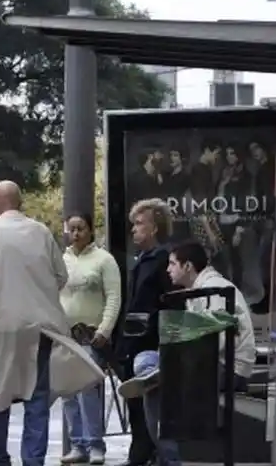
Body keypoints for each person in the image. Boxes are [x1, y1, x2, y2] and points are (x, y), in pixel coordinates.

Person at [116, 240, 255, 466]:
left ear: (188, 266)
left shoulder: (214, 289)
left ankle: (171, 459)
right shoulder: (198, 290)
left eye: (172, 264)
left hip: (227, 367)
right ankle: (152, 372)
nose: (168, 269)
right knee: (145, 360)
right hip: (209, 361)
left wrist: (176, 361)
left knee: (152, 388)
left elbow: (216, 341)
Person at [0, 180, 71, 466]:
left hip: (2, 326)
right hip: (42, 328)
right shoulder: (41, 232)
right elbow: (62, 277)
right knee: (37, 400)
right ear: (20, 202)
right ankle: (33, 461)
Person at [113, 198, 179, 466]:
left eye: (139, 224)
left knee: (148, 408)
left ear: (154, 228)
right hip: (132, 342)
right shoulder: (140, 260)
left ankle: (145, 454)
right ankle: (141, 451)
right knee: (135, 407)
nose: (134, 230)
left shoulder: (163, 259)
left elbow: (169, 302)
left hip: (149, 344)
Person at [60, 213, 122, 465]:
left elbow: (113, 297)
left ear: (90, 230)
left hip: (91, 335)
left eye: (81, 229)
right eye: (72, 229)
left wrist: (104, 330)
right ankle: (78, 445)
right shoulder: (60, 260)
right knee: (68, 393)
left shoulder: (104, 260)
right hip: (64, 336)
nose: (76, 234)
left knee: (88, 392)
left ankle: (96, 445)